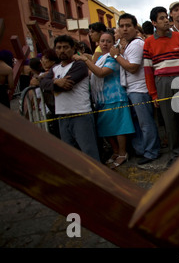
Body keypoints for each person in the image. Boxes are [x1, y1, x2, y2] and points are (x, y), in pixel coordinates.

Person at [74, 32, 135, 169]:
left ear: (113, 43)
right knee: (105, 128)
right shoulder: (101, 57)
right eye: (102, 41)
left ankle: (122, 153)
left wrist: (85, 60)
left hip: (115, 97)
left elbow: (100, 73)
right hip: (102, 99)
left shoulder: (113, 58)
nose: (105, 44)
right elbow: (92, 73)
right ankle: (115, 151)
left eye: (108, 41)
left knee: (119, 128)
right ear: (98, 43)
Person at [143, 6, 179, 166]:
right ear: (154, 23)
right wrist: (153, 94)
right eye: (161, 18)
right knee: (169, 121)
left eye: (166, 17)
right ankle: (175, 155)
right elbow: (148, 71)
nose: (166, 20)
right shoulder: (149, 42)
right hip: (162, 83)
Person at [109, 13, 161, 165]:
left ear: (134, 27)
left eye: (128, 26)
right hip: (132, 90)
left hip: (140, 90)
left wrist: (116, 56)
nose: (124, 29)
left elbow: (132, 67)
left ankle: (152, 152)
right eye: (122, 26)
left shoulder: (137, 44)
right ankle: (143, 150)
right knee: (137, 124)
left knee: (146, 123)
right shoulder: (129, 44)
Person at [40, 35, 100, 162]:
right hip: (62, 114)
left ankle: (97, 179)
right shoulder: (55, 69)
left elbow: (67, 85)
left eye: (66, 47)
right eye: (59, 48)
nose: (62, 50)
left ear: (73, 49)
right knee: (69, 153)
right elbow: (43, 84)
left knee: (89, 151)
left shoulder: (80, 65)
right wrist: (56, 82)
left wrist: (52, 83)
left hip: (80, 114)